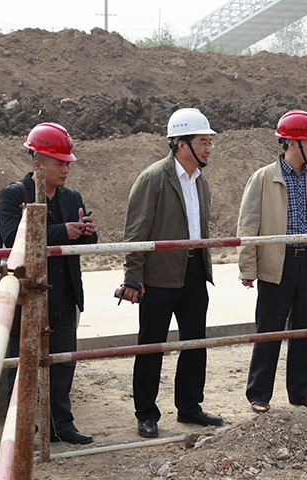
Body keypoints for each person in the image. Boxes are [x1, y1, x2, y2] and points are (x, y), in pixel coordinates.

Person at [119, 108, 222, 438]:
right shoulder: (153, 179)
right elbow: (136, 232)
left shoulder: (200, 181)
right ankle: (146, 413)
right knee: (151, 346)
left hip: (194, 271)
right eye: (202, 142)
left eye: (209, 142)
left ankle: (189, 406)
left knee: (195, 343)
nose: (208, 148)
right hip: (159, 276)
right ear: (180, 144)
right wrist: (133, 276)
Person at [0, 122, 97, 445]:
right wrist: (61, 232)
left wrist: (87, 232)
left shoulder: (72, 197)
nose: (66, 169)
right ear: (38, 163)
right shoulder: (14, 195)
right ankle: (23, 428)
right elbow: (13, 238)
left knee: (63, 363)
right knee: (23, 366)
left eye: (68, 163)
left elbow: (84, 244)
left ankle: (60, 425)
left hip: (65, 296)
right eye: (60, 163)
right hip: (30, 295)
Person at [237, 110, 307, 414]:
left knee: (303, 331)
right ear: (293, 143)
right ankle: (259, 393)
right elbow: (248, 225)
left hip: (306, 262)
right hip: (276, 263)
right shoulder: (263, 178)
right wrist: (248, 268)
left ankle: (300, 390)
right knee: (270, 331)